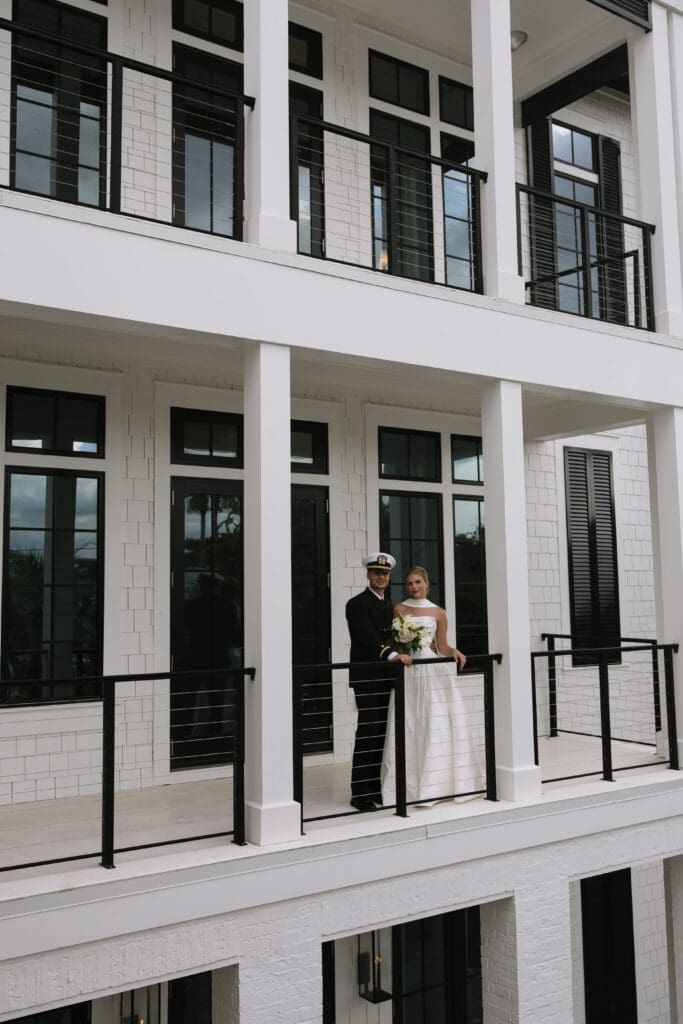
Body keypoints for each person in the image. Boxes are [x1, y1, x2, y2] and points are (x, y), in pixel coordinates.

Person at [381, 566, 484, 806]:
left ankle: (438, 783)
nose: (413, 587)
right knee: (409, 720)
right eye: (409, 583)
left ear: (427, 584)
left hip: (432, 668)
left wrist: (454, 651)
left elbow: (442, 646)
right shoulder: (399, 609)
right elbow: (396, 645)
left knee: (434, 719)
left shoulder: (439, 612)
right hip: (408, 668)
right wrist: (401, 651)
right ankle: (408, 785)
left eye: (417, 582)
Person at [346, 552, 412, 812]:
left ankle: (374, 788)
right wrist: (394, 654)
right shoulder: (357, 604)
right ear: (368, 574)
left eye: (385, 574)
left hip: (386, 677)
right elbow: (367, 638)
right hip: (368, 677)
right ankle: (359, 792)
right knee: (368, 733)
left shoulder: (388, 604)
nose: (381, 577)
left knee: (380, 735)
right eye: (376, 573)